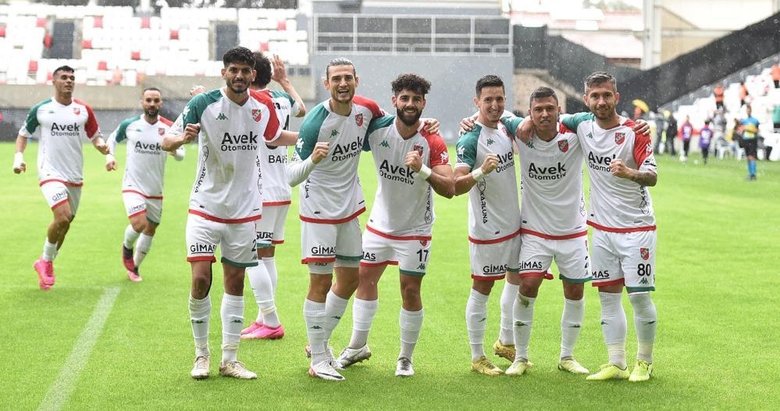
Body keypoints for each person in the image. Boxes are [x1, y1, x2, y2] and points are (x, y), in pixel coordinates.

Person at [161, 46, 297, 380]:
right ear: (224, 72)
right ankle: (201, 355)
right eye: (233, 70)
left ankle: (230, 359)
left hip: (245, 211)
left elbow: (276, 137)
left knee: (235, 282)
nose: (239, 76)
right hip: (205, 207)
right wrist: (181, 140)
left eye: (244, 71)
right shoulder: (203, 103)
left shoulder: (262, 106)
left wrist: (315, 138)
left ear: (253, 74)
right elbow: (166, 139)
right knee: (200, 279)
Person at [335, 74, 454, 377]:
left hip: (416, 230)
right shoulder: (378, 128)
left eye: (416, 99)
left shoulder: (432, 140)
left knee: (410, 290)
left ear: (423, 103)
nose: (410, 104)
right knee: (364, 280)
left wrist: (422, 169)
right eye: (405, 98)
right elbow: (352, 106)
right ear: (394, 101)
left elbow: (450, 188)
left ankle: (405, 358)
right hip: (380, 225)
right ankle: (357, 346)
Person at [286, 57, 385, 382]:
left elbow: (392, 127)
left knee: (352, 278)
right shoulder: (315, 123)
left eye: (348, 78)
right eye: (336, 79)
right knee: (321, 282)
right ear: (326, 84)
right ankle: (318, 359)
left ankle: (319, 343)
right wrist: (313, 160)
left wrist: (426, 124)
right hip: (318, 212)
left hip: (349, 208)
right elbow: (290, 175)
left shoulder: (367, 109)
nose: (343, 84)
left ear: (356, 80)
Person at [561, 71, 658, 382]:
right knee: (608, 297)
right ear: (586, 99)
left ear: (617, 97)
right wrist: (473, 121)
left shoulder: (635, 131)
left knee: (639, 297)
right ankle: (616, 362)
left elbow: (652, 176)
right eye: (595, 96)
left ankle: (644, 362)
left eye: (606, 95)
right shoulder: (581, 124)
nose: (601, 101)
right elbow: (542, 118)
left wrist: (630, 173)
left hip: (636, 228)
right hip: (602, 230)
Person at [503, 87, 592, 376]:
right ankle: (520, 357)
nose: (544, 114)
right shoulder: (521, 132)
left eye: (550, 109)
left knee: (575, 290)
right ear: (529, 112)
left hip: (572, 231)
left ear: (559, 110)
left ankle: (567, 356)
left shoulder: (574, 134)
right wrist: (470, 120)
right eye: (538, 109)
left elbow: (597, 116)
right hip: (535, 232)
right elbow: (495, 114)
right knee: (527, 286)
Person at [12, 65, 110, 290]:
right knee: (63, 217)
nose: (68, 81)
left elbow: (95, 136)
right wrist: (18, 158)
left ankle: (45, 262)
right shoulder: (42, 109)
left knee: (64, 225)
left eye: (72, 78)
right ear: (54, 81)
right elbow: (23, 135)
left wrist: (102, 147)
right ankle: (46, 262)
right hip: (50, 172)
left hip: (74, 173)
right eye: (64, 77)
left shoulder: (83, 110)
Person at [454, 75, 521, 376]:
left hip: (513, 224)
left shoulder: (505, 124)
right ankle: (477, 356)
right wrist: (481, 170)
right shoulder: (470, 137)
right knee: (483, 288)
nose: (494, 105)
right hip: (487, 229)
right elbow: (456, 184)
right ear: (476, 102)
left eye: (499, 99)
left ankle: (506, 342)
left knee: (516, 280)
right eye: (488, 100)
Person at [240, 52, 307, 340]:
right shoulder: (280, 98)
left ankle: (271, 320)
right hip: (280, 186)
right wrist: (285, 81)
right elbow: (301, 109)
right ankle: (262, 318)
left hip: (260, 189)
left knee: (250, 255)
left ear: (251, 74)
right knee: (266, 256)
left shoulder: (252, 101)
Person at [105, 87, 183, 282]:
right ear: (142, 102)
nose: (152, 104)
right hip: (133, 186)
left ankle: (135, 267)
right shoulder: (130, 125)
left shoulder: (170, 128)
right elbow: (112, 139)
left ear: (161, 103)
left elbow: (181, 154)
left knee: (151, 228)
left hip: (155, 189)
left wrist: (175, 151)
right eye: (148, 100)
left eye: (156, 100)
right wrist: (110, 156)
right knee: (139, 224)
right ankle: (127, 247)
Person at [737, 104, 760, 180]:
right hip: (746, 140)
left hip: (752, 140)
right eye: (747, 110)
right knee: (748, 157)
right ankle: (750, 173)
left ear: (751, 110)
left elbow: (757, 130)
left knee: (752, 157)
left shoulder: (755, 120)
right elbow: (740, 129)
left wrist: (748, 129)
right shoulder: (744, 121)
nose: (748, 111)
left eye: (749, 110)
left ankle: (753, 174)